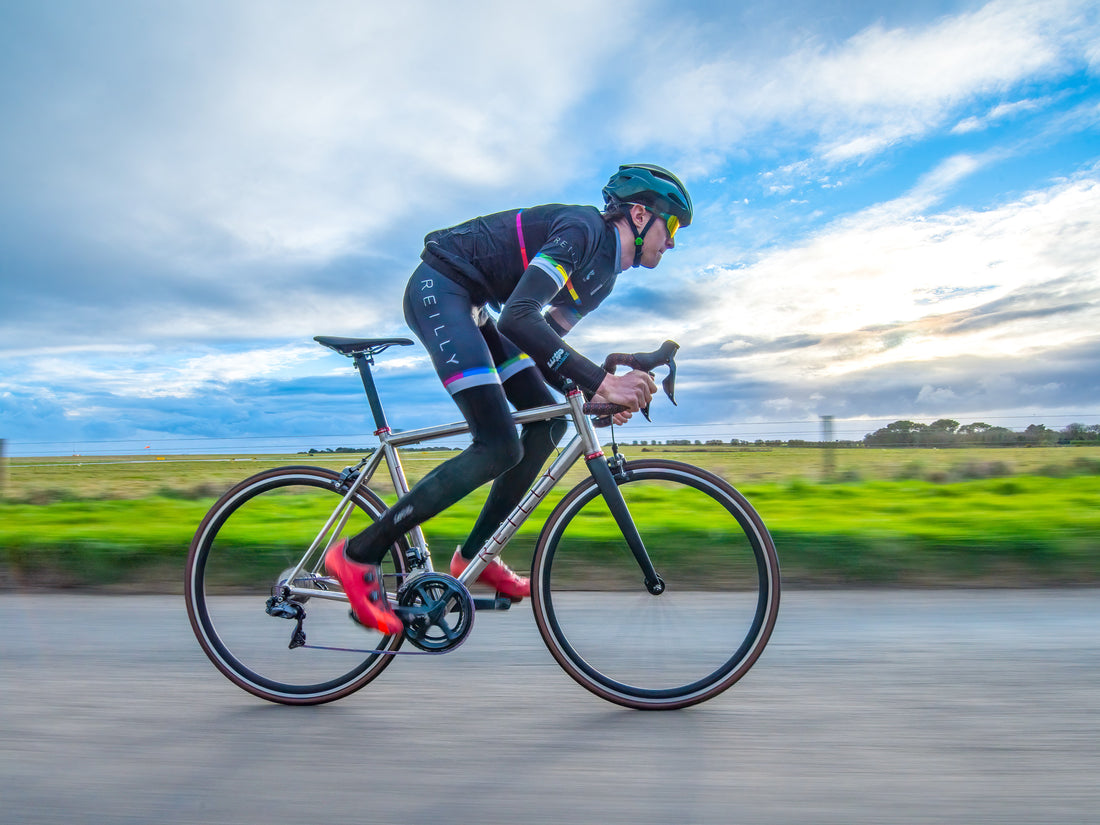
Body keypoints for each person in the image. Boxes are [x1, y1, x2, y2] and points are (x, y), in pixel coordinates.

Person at [325, 163, 693, 633]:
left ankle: (474, 555)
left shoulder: (603, 278)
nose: (675, 241)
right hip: (443, 287)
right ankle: (358, 555)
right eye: (673, 225)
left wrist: (593, 401)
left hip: (479, 307)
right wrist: (601, 382)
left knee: (550, 423)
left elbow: (543, 349)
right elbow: (520, 319)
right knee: (498, 444)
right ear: (640, 215)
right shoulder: (582, 230)